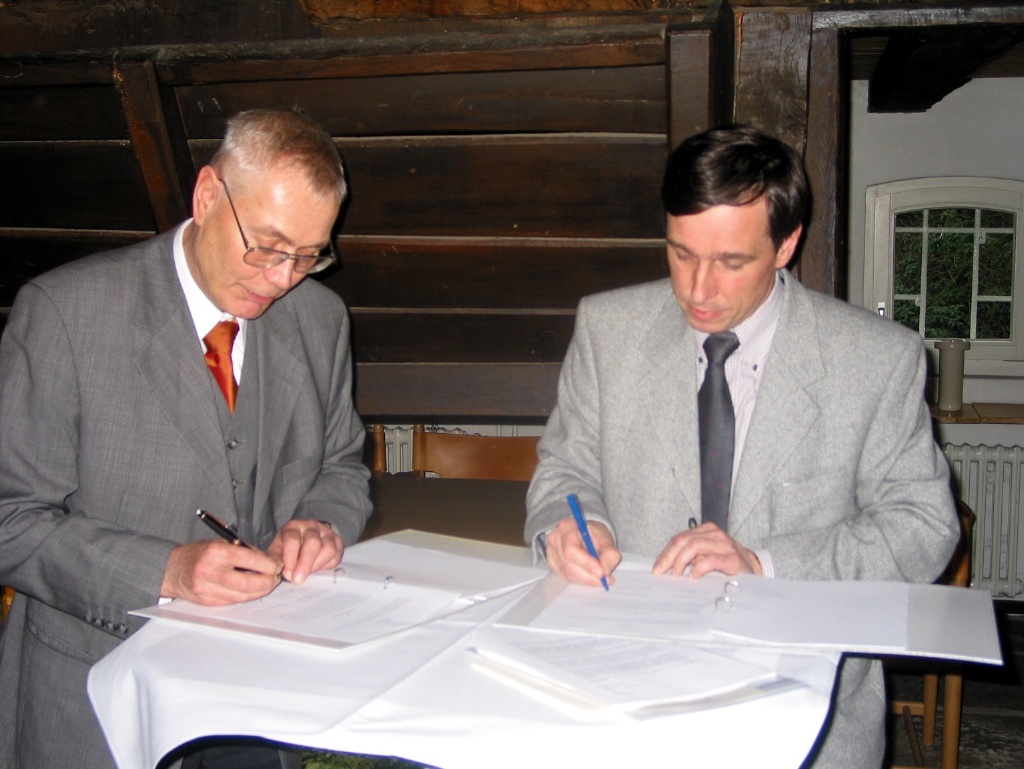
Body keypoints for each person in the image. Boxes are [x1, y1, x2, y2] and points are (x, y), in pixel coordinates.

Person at [524, 124, 959, 767]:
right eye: (681, 254)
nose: (698, 290)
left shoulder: (876, 360)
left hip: (806, 720)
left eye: (731, 262)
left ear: (787, 244)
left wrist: (763, 564)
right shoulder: (607, 329)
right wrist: (568, 527)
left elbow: (923, 527)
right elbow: (566, 467)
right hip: (626, 702)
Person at [0, 109, 373, 769]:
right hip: (100, 694)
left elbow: (342, 467)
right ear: (206, 197)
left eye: (308, 255)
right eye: (267, 245)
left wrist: (319, 522)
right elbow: (11, 520)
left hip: (257, 701)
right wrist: (166, 571)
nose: (282, 278)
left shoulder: (321, 320)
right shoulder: (65, 313)